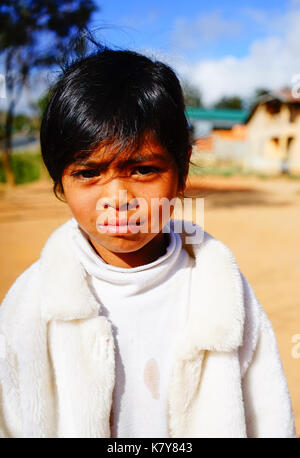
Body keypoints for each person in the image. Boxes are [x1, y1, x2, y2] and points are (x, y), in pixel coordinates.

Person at [0, 47, 297, 438]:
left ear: (181, 171)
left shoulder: (223, 292)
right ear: (60, 181)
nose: (118, 197)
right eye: (89, 172)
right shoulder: (32, 302)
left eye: (142, 169)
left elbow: (269, 415)